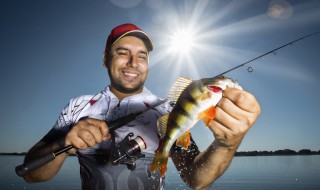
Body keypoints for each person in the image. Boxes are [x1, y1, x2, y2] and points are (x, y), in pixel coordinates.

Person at [22, 23, 261, 190]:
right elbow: (31, 174)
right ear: (105, 59)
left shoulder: (167, 111)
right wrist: (63, 143)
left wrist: (227, 144)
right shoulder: (77, 107)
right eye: (122, 53)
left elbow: (196, 179)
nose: (133, 63)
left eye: (142, 56)